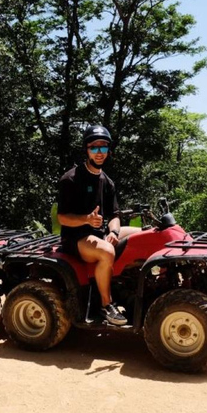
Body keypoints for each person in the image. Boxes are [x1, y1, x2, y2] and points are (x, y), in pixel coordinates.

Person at [57, 124, 140, 326]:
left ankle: (133, 286)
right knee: (107, 251)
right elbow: (62, 218)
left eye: (103, 148)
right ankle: (106, 305)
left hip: (99, 232)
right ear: (86, 149)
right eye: (95, 148)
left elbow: (115, 215)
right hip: (75, 237)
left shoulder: (107, 182)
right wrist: (86, 219)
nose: (100, 152)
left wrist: (113, 230)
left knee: (142, 235)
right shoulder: (71, 179)